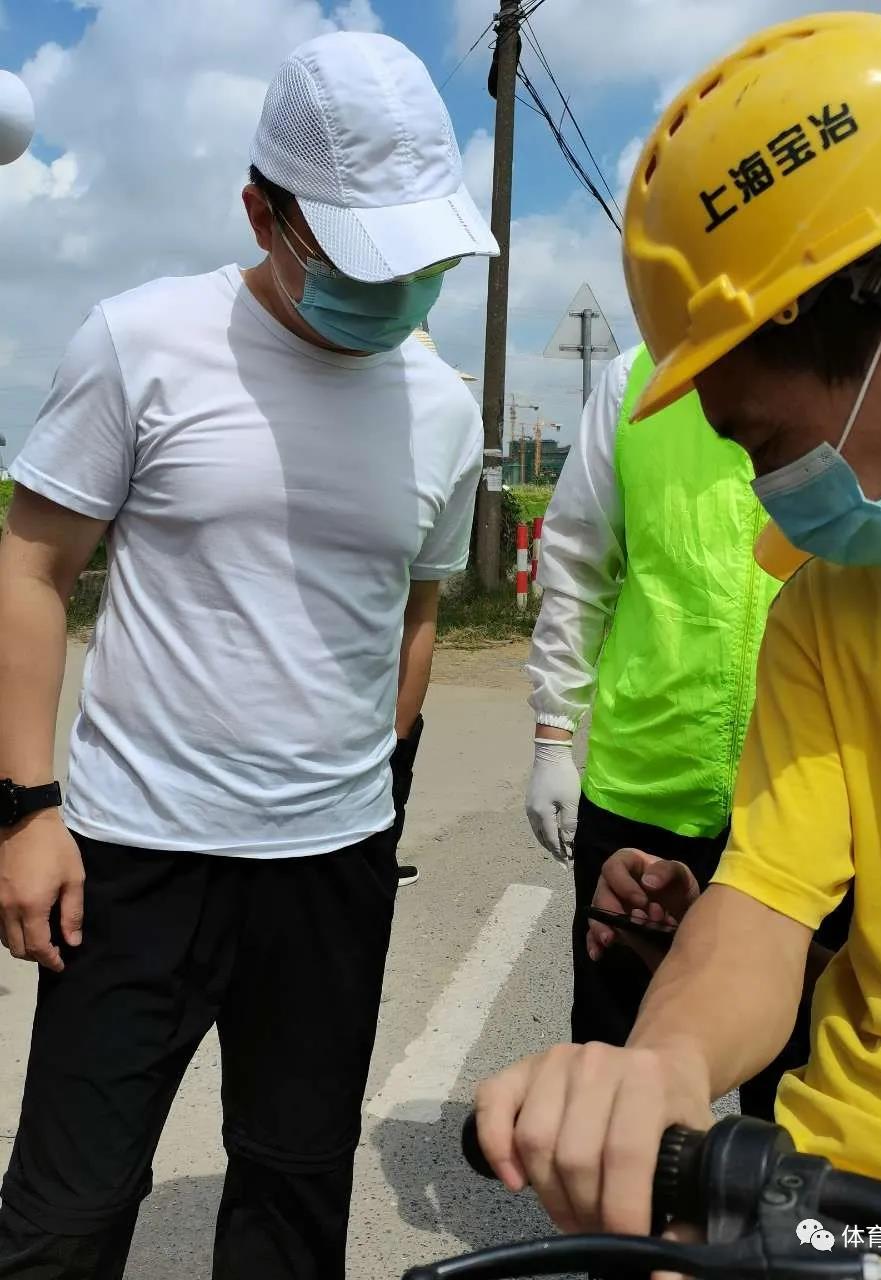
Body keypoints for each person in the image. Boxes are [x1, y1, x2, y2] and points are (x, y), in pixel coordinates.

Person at [0, 30, 496, 1280]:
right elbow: (31, 569)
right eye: (363, 256)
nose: (398, 289)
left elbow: (415, 614)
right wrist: (24, 808)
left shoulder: (442, 406)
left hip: (330, 867)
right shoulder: (143, 342)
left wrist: (375, 796)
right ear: (262, 213)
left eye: (422, 259)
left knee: (293, 1189)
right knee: (62, 1215)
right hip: (132, 857)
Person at [475, 10, 881, 1236]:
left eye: (769, 443)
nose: (764, 490)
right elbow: (768, 896)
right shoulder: (830, 605)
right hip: (866, 1191)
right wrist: (667, 1063)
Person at [524, 343, 851, 1117]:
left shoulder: (848, 364)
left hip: (810, 793)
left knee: (801, 1085)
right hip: (645, 790)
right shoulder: (635, 382)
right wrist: (553, 732)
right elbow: (577, 563)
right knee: (623, 1068)